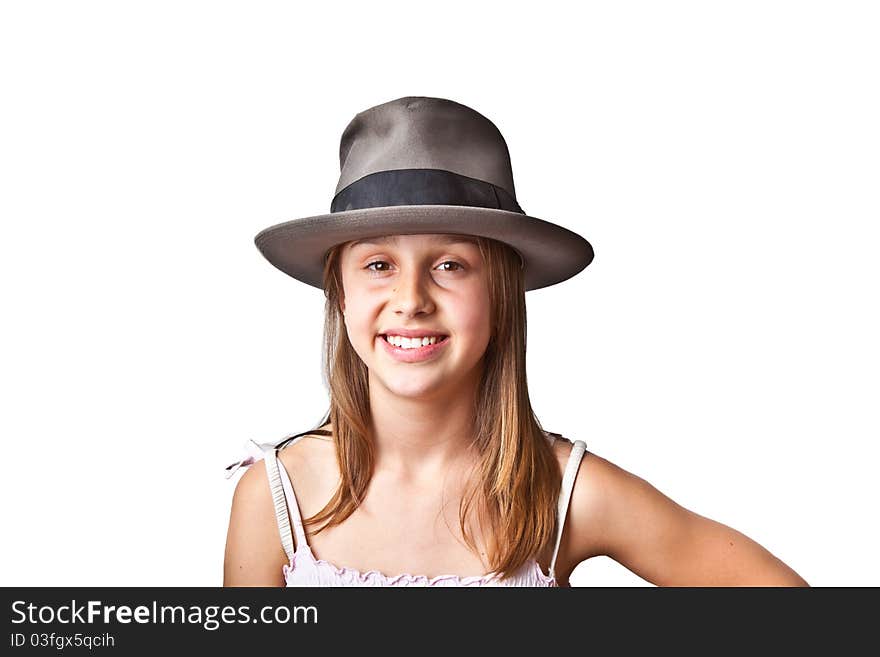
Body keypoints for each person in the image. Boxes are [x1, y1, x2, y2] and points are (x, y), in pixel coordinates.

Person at [222, 96, 809, 587]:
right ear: (340, 295)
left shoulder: (566, 493)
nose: (411, 299)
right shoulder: (277, 498)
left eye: (451, 264)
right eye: (378, 264)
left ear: (502, 294)